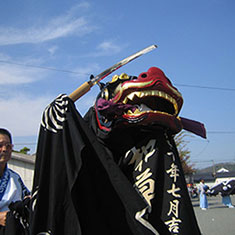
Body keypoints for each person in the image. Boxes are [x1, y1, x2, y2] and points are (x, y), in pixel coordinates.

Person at [0, 128, 30, 227]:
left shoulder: (15, 178)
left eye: (8, 146)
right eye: (0, 146)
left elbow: (27, 197)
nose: (4, 150)